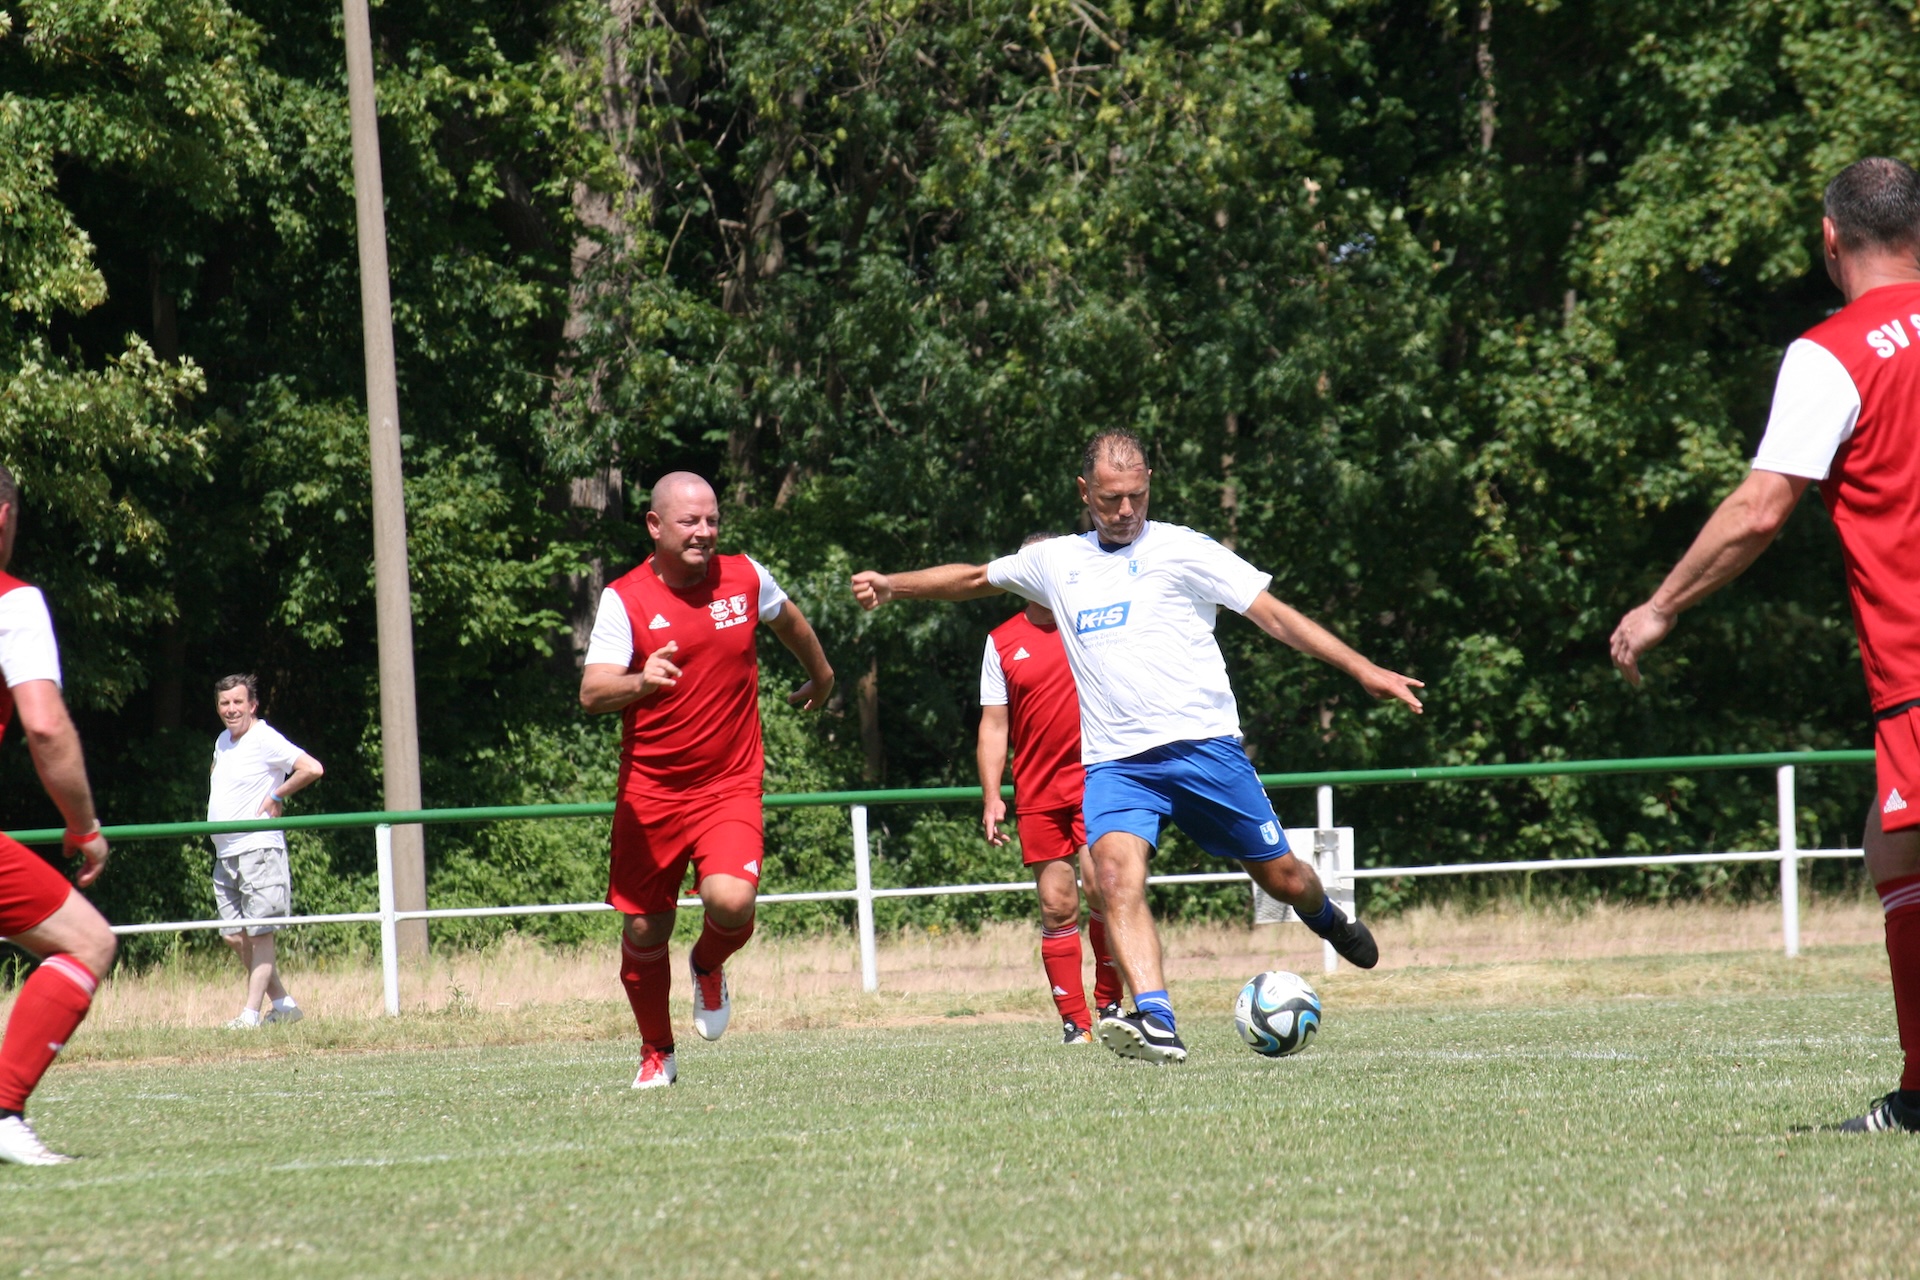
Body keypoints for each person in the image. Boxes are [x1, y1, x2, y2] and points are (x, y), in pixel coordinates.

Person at [853, 430, 1424, 1063]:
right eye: (1108, 499)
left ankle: (1327, 916)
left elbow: (1274, 616)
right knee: (1116, 881)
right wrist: (895, 584)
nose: (1124, 511)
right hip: (1117, 765)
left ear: (1150, 480)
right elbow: (974, 577)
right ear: (1083, 492)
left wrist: (1362, 667)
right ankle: (1158, 1020)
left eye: (1136, 496)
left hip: (1204, 750)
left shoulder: (1185, 549)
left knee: (1283, 878)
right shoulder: (1058, 561)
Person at [1610, 157, 1920, 1134]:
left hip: (1916, 658)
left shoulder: (1835, 352)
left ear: (1830, 239)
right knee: (1893, 838)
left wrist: (1661, 604)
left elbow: (1758, 509)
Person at [580, 472, 835, 1089]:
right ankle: (656, 1052)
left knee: (731, 901)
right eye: (690, 522)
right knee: (644, 927)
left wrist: (822, 676)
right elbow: (592, 692)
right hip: (650, 792)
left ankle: (707, 963)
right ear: (655, 524)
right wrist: (640, 682)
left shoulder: (744, 575)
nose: (703, 532)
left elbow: (789, 620)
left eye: (711, 520)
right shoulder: (626, 598)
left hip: (729, 782)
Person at [0, 463, 117, 1164]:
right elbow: (45, 727)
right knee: (86, 941)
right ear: (4, 517)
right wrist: (84, 828)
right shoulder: (12, 602)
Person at [977, 534, 1124, 1044]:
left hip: (1097, 780)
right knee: (1058, 906)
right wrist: (992, 794)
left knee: (1107, 889)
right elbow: (995, 725)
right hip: (1038, 794)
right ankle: (1075, 1025)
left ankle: (1112, 1008)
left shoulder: (1094, 623)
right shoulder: (1000, 642)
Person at [206, 674, 323, 1029]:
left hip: (258, 850)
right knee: (233, 935)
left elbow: (312, 768)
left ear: (252, 705)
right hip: (226, 854)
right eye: (225, 703)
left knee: (260, 935)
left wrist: (276, 796)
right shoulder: (222, 742)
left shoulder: (263, 737)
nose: (231, 709)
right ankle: (284, 1005)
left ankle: (250, 1015)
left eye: (238, 702)